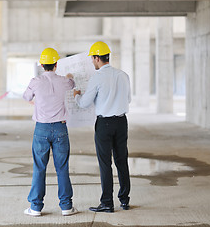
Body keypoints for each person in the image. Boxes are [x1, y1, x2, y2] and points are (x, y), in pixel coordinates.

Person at [74, 41, 131, 213]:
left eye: (93, 58)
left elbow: (84, 104)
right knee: (122, 161)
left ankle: (107, 202)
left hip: (104, 124)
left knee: (105, 163)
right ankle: (124, 200)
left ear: (98, 58)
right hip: (122, 122)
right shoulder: (123, 75)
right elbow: (128, 100)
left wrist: (77, 95)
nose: (92, 61)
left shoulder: (97, 77)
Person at [23, 47, 78, 217]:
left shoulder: (36, 81)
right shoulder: (63, 81)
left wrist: (37, 102)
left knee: (39, 168)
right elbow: (72, 84)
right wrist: (69, 77)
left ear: (41, 64)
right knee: (62, 168)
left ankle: (36, 207)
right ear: (56, 64)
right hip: (60, 128)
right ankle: (66, 206)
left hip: (41, 129)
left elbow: (26, 97)